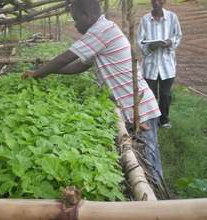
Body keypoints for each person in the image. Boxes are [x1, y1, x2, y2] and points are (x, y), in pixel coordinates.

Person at [23, 0, 163, 181]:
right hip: (131, 105)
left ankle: (158, 207)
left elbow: (67, 57)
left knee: (150, 164)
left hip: (140, 106)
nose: (75, 25)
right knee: (139, 160)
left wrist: (37, 73)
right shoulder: (101, 32)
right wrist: (48, 72)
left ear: (86, 16)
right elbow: (80, 65)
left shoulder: (101, 30)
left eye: (75, 20)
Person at [137, 0, 182, 128]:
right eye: (154, 0)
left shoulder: (172, 17)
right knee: (150, 94)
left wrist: (170, 42)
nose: (157, 2)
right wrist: (150, 47)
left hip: (167, 65)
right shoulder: (145, 19)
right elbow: (139, 40)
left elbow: (178, 35)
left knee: (165, 94)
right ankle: (151, 119)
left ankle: (164, 120)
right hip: (150, 65)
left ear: (164, 1)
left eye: (160, 0)